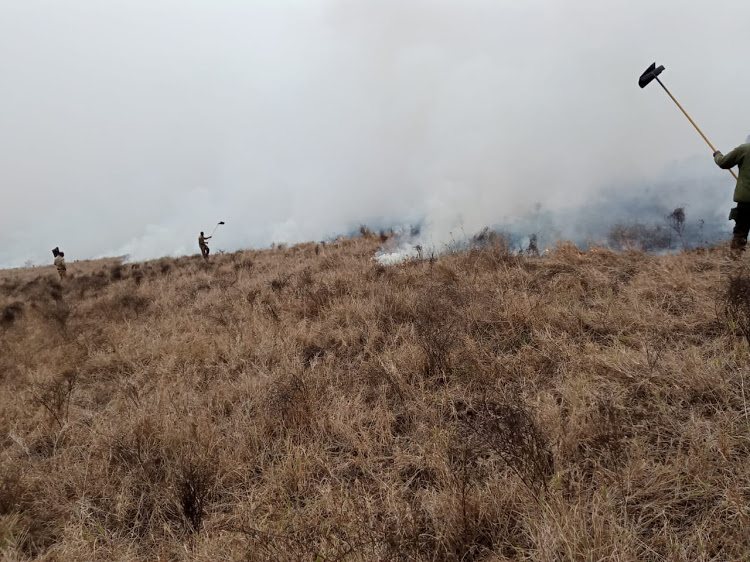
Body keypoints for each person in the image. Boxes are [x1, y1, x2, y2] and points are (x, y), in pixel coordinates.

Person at [714, 142, 750, 253]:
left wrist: (717, 155)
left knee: (740, 233)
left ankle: (736, 262)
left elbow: (723, 163)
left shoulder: (745, 149)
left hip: (746, 200)